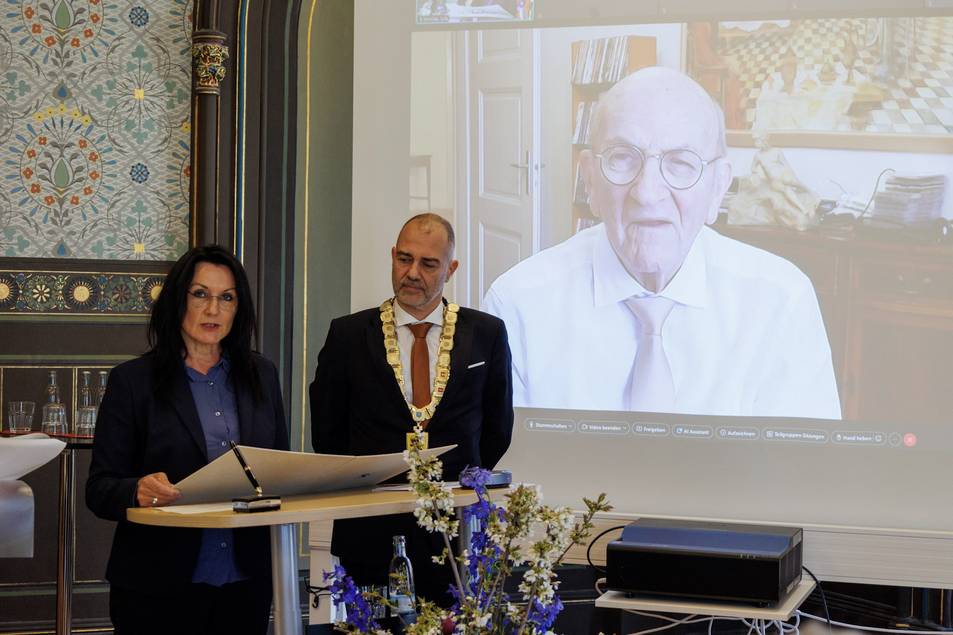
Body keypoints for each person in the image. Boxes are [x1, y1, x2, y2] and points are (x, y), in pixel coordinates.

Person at [483, 67, 841, 419]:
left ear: (718, 187)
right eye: (623, 158)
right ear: (589, 180)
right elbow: (501, 469)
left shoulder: (782, 301)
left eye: (681, 163)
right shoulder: (516, 305)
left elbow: (803, 472)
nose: (648, 192)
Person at [310, 213, 513, 606]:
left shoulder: (485, 334)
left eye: (428, 263)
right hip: (368, 527)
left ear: (450, 268)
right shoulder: (349, 335)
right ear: (392, 257)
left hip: (455, 530)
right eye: (404, 259)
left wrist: (456, 479)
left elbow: (497, 428)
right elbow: (328, 432)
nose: (412, 272)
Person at [86, 245, 289, 635]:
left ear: (238, 308)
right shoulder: (132, 381)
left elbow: (275, 469)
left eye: (226, 297)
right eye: (200, 294)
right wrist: (137, 490)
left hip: (246, 582)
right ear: (178, 300)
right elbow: (99, 488)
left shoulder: (262, 375)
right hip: (157, 586)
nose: (213, 309)